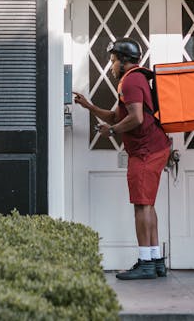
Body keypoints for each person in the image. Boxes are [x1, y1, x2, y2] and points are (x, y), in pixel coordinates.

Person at [73, 37, 171, 280]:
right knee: (147, 205)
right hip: (152, 149)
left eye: (113, 60)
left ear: (125, 61)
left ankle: (146, 262)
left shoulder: (130, 82)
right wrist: (89, 106)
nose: (111, 65)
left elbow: (136, 118)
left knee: (141, 206)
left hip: (146, 152)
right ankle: (156, 260)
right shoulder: (135, 79)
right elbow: (116, 116)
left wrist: (112, 131)